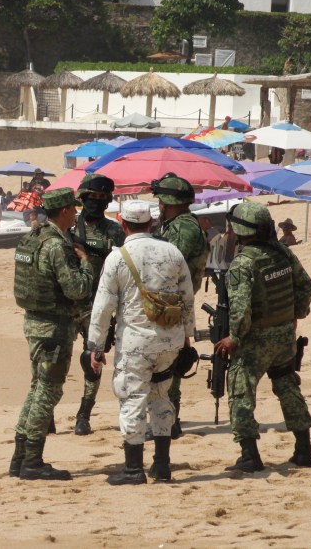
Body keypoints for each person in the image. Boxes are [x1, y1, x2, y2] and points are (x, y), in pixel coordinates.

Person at [86, 200, 195, 484]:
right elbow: (187, 299)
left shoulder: (118, 257)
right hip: (169, 342)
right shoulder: (173, 252)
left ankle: (133, 469)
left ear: (123, 223)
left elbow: (103, 307)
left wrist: (94, 346)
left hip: (136, 342)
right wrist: (188, 338)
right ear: (151, 223)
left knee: (132, 400)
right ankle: (162, 464)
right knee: (161, 398)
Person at [213, 202, 311, 473]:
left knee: (241, 392)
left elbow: (241, 308)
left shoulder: (243, 263)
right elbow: (306, 287)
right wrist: (295, 314)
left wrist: (233, 338)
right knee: (288, 388)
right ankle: (304, 450)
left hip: (254, 342)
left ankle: (249, 455)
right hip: (284, 336)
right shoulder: (283, 253)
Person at [9, 188, 93, 481]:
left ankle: (20, 458)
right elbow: (77, 289)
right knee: (48, 392)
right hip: (54, 329)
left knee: (37, 390)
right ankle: (32, 460)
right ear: (65, 211)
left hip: (34, 323)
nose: (76, 212)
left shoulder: (32, 237)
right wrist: (86, 263)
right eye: (73, 208)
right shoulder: (56, 245)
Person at [152, 173, 208, 439]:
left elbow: (170, 262)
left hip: (172, 303)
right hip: (165, 301)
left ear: (169, 202)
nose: (159, 206)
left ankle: (170, 421)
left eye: (161, 201)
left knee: (169, 364)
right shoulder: (174, 224)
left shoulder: (184, 227)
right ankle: (167, 419)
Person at [70, 174, 126, 436]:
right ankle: (46, 413)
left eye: (103, 199)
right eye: (93, 198)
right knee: (54, 361)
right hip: (68, 303)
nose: (98, 203)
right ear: (83, 199)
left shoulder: (114, 230)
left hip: (98, 305)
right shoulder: (69, 226)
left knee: (92, 359)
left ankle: (84, 414)